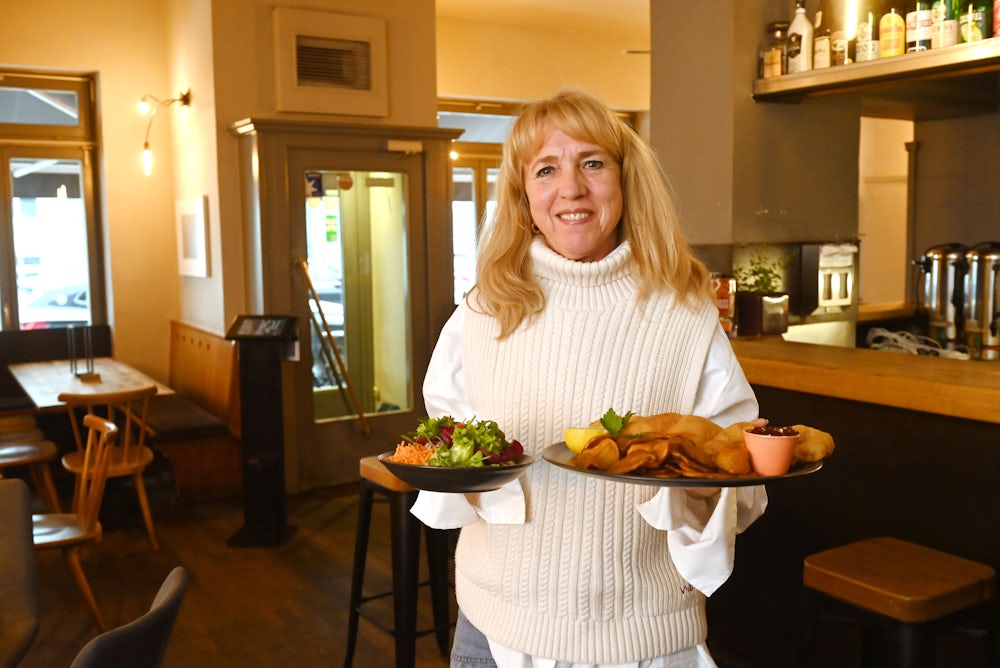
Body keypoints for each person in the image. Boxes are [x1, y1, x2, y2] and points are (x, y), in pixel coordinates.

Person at [412, 88, 766, 668]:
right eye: (546, 169)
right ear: (524, 197)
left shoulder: (684, 312)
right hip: (498, 630)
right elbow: (452, 453)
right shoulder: (485, 310)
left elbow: (740, 475)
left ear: (625, 183)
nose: (570, 188)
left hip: (646, 638)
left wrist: (708, 488)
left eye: (593, 164)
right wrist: (460, 470)